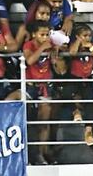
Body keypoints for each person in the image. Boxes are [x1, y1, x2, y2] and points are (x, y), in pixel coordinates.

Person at [23, 20, 63, 164]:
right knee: (30, 122)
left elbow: (59, 69)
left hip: (45, 87)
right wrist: (42, 48)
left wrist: (55, 55)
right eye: (42, 34)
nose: (45, 37)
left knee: (44, 122)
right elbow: (29, 60)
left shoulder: (51, 46)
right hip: (30, 86)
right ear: (34, 34)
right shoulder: (29, 45)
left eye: (47, 34)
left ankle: (42, 153)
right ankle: (33, 155)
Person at [66, 22, 93, 157]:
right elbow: (71, 53)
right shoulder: (74, 46)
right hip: (74, 79)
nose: (88, 38)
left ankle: (89, 134)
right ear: (78, 36)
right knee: (69, 95)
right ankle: (76, 111)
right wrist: (78, 42)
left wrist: (91, 48)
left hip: (87, 79)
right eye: (84, 36)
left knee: (91, 103)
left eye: (89, 35)